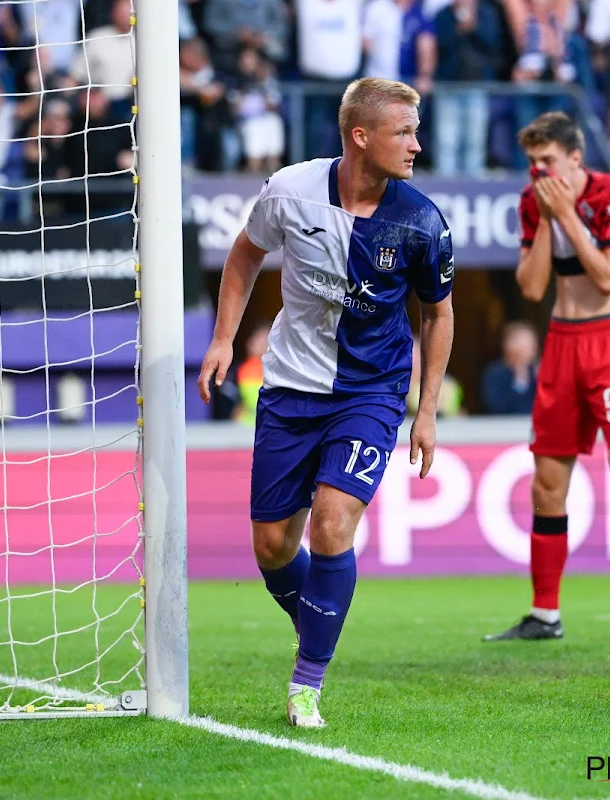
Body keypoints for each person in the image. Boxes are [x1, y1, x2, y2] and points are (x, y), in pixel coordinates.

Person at [197, 77, 455, 728]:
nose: (417, 145)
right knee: (270, 546)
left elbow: (439, 314)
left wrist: (425, 411)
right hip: (290, 386)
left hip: (371, 390)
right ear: (361, 137)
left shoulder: (421, 220)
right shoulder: (290, 189)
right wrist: (224, 338)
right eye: (404, 132)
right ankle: (317, 619)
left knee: (333, 523)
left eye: (416, 132)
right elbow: (244, 254)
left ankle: (307, 682)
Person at [485, 111, 610, 644]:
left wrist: (567, 214)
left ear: (575, 157)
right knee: (547, 484)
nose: (538, 174)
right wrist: (549, 217)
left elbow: (608, 273)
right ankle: (544, 613)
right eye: (531, 164)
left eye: (547, 161)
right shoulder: (533, 204)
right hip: (562, 344)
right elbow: (530, 285)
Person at [480, 320, 539, 415]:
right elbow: (496, 406)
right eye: (521, 345)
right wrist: (520, 378)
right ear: (507, 346)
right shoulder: (495, 373)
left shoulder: (538, 373)